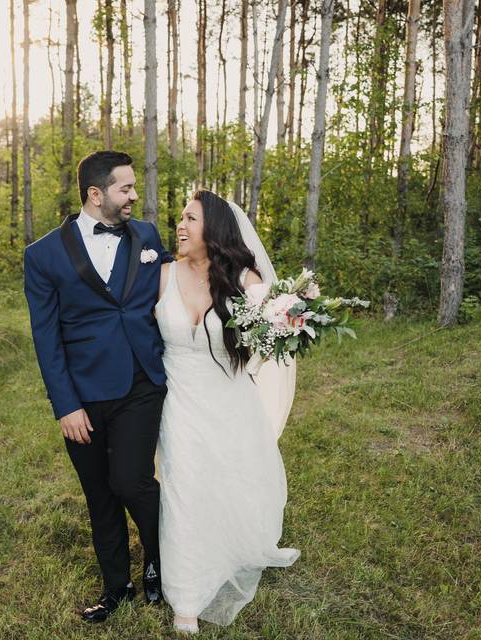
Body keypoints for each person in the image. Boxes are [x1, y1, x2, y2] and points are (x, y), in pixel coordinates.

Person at [23, 150, 173, 623]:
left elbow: (184, 280)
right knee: (99, 494)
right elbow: (46, 338)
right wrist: (65, 406)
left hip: (140, 382)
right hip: (83, 396)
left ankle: (158, 560)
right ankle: (116, 588)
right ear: (96, 194)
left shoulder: (147, 235)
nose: (134, 196)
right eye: (125, 188)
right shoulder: (43, 254)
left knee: (132, 480)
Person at [155, 190, 299, 634]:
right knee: (183, 487)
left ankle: (230, 547)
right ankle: (186, 598)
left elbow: (278, 330)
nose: (180, 224)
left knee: (226, 483)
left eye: (190, 218)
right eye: (179, 217)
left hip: (229, 399)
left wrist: (291, 318)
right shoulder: (161, 275)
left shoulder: (245, 278)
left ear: (213, 228)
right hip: (176, 398)